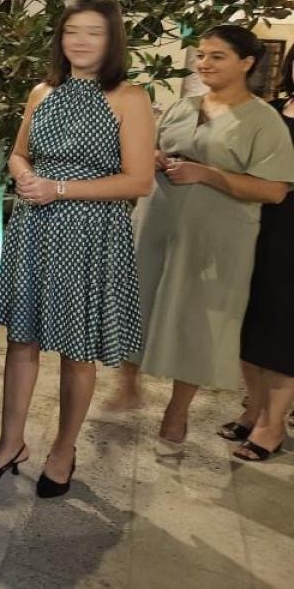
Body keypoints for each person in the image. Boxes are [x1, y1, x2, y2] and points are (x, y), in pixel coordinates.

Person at [0, 0, 153, 497]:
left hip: (91, 232)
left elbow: (139, 180)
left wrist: (61, 188)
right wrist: (25, 174)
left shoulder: (129, 97)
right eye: (72, 30)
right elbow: (19, 154)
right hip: (36, 226)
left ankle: (63, 450)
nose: (81, 41)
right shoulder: (43, 91)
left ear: (112, 40)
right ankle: (11, 443)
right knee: (21, 339)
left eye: (94, 31)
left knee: (77, 350)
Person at [117, 25, 294, 447]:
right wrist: (154, 157)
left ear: (246, 63)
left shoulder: (263, 120)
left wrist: (206, 174)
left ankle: (178, 409)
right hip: (156, 223)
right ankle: (127, 385)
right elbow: (151, 150)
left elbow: (274, 189)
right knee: (137, 302)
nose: (204, 63)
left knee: (199, 320)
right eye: (201, 55)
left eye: (217, 56)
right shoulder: (184, 106)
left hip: (217, 237)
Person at [231, 46, 294, 461]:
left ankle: (273, 426)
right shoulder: (270, 111)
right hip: (256, 225)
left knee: (284, 330)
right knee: (248, 321)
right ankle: (254, 409)